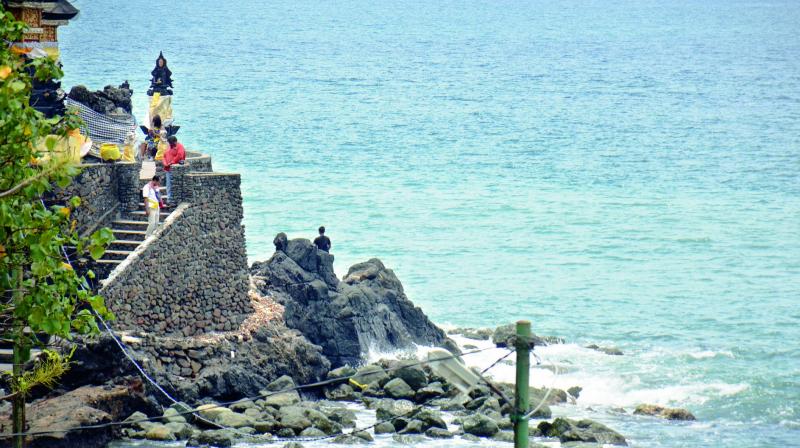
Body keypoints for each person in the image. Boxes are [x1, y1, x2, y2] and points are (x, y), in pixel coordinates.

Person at [163, 135, 186, 204]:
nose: (170, 145)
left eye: (171, 143)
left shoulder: (180, 147)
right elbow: (164, 156)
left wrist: (171, 162)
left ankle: (172, 199)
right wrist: (165, 163)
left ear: (175, 142)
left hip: (173, 168)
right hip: (167, 168)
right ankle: (169, 199)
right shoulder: (169, 147)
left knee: (173, 184)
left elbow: (180, 156)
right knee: (168, 184)